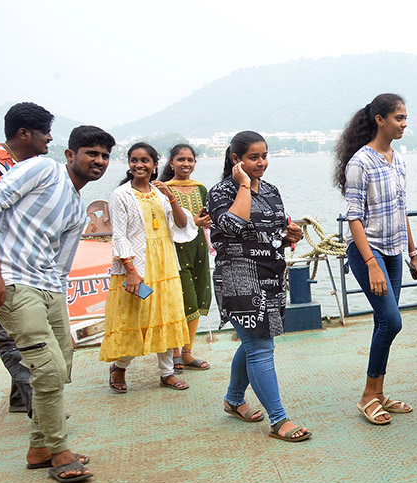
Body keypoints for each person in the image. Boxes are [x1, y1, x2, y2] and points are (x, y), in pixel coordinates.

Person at [0, 125, 113, 483]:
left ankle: (38, 448)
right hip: (13, 282)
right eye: (91, 152)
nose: (99, 161)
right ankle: (59, 450)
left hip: (49, 289)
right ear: (70, 155)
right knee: (45, 368)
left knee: (61, 367)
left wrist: (62, 311)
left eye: (104, 155)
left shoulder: (77, 211)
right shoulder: (43, 169)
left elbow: (60, 266)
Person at [209, 130, 311, 441]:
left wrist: (289, 234)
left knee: (255, 343)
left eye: (264, 155)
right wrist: (243, 185)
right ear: (236, 159)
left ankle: (234, 399)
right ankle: (279, 420)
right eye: (254, 157)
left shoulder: (271, 190)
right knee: (260, 346)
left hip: (270, 276)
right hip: (238, 278)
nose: (262, 163)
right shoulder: (220, 192)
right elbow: (231, 225)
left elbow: (274, 228)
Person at [334, 94, 417, 424]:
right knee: (392, 320)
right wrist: (371, 262)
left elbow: (401, 210)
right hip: (367, 252)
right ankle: (367, 396)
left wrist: (413, 253)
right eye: (399, 118)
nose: (404, 124)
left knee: (383, 322)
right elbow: (354, 217)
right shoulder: (360, 162)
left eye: (405, 118)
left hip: (394, 250)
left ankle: (379, 392)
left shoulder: (397, 159)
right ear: (379, 120)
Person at [100, 143, 192, 393]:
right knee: (135, 317)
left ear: (154, 165)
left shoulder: (161, 193)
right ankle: (119, 366)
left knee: (166, 315)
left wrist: (171, 197)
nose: (139, 165)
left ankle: (166, 373)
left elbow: (183, 225)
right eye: (133, 160)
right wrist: (130, 270)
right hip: (137, 265)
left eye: (145, 161)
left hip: (164, 263)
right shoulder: (121, 194)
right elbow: (120, 236)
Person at [0, 102, 54, 413]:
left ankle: (19, 399)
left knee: (15, 334)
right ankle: (38, 410)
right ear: (24, 134)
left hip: (16, 265)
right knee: (12, 338)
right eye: (45, 133)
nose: (50, 140)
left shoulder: (23, 166)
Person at [158, 144, 213, 373]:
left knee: (199, 296)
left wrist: (206, 220)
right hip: (175, 250)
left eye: (190, 160)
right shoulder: (162, 189)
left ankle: (188, 351)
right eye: (181, 159)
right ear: (171, 163)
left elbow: (208, 216)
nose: (186, 164)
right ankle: (176, 353)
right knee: (181, 300)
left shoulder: (200, 189)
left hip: (198, 247)